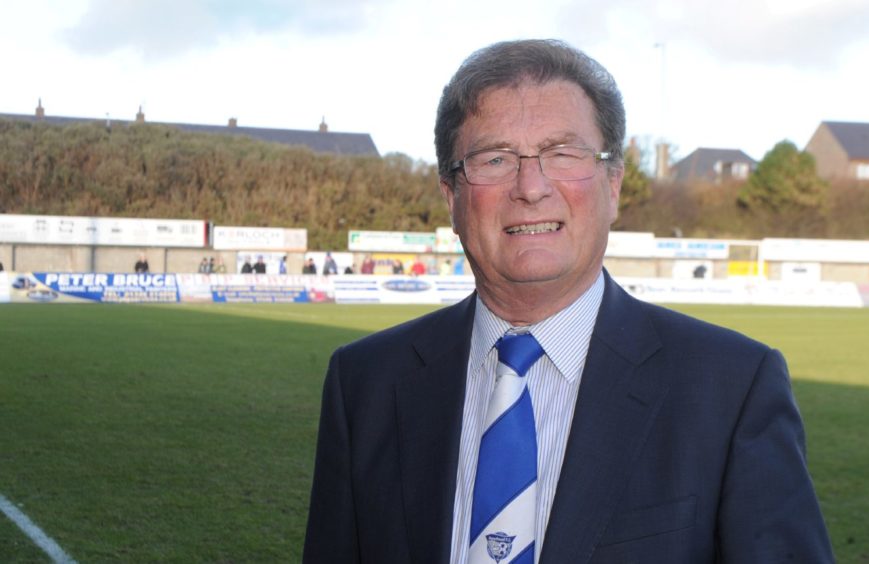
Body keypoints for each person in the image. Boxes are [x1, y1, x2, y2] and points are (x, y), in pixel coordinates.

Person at [303, 39, 833, 564]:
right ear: (452, 197)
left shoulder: (732, 388)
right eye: (495, 158)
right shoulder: (364, 384)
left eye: (563, 153)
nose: (530, 187)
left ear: (614, 186)